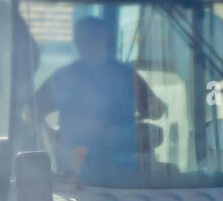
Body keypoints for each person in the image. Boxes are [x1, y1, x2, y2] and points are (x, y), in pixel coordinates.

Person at [33, 16, 165, 175]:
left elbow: (157, 111)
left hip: (125, 173)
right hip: (75, 174)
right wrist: (53, 145)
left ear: (105, 38)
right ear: (76, 42)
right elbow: (31, 111)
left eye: (91, 38)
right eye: (81, 39)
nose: (86, 44)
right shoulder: (63, 78)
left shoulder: (126, 77)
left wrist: (154, 106)